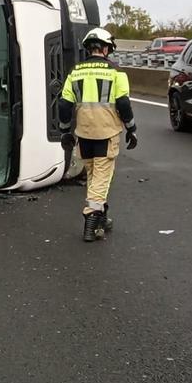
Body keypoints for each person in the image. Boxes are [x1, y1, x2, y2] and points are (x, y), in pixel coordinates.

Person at [58, 28, 138, 242]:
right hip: (106, 132)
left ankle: (102, 218)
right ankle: (91, 220)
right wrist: (131, 128)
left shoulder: (75, 72)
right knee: (102, 178)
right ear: (105, 48)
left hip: (83, 133)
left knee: (94, 176)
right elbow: (123, 103)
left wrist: (65, 129)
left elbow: (64, 104)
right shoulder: (116, 71)